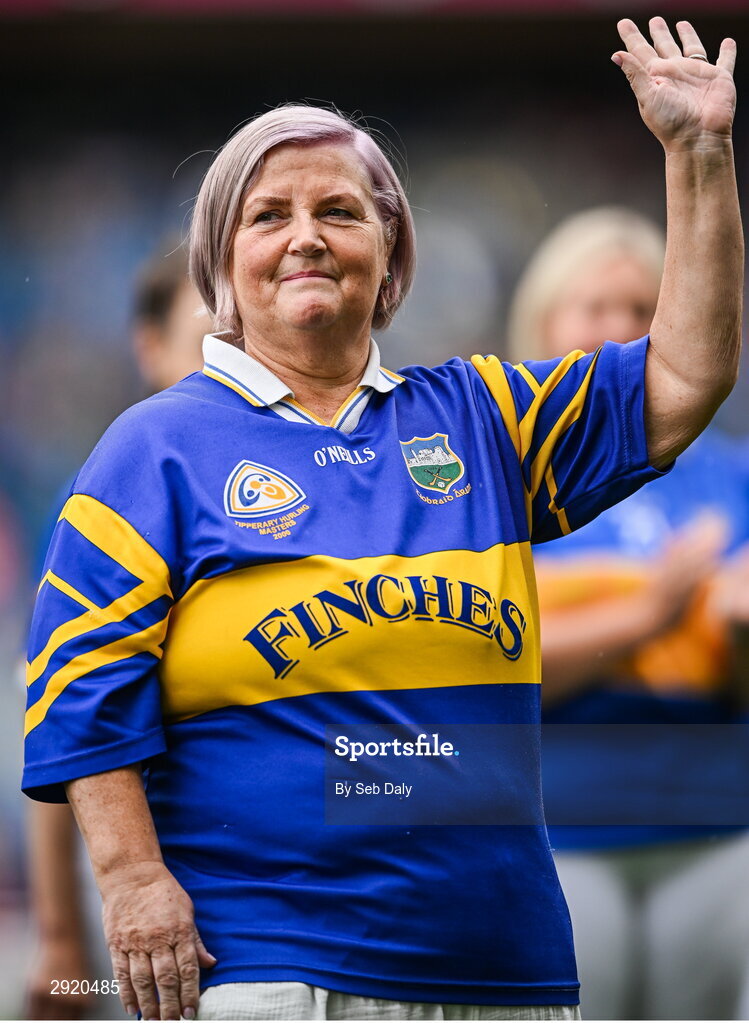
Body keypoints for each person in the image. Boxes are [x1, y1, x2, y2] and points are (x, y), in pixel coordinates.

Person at [21, 17, 742, 1021]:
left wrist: (697, 158)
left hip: (503, 970)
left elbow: (680, 377)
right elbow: (79, 693)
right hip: (271, 963)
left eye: (338, 210)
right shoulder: (152, 450)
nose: (305, 234)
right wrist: (132, 883)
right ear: (220, 266)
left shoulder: (483, 416)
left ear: (389, 249)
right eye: (267, 215)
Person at [507, 205, 749, 1021]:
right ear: (539, 323)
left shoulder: (731, 476)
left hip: (722, 832)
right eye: (592, 306)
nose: (618, 331)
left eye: (641, 307)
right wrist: (648, 614)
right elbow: (484, 672)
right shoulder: (490, 481)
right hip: (555, 840)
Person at [23, 243, 209, 1021]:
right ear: (149, 346)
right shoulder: (106, 500)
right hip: (162, 888)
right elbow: (64, 726)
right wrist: (62, 940)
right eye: (211, 339)